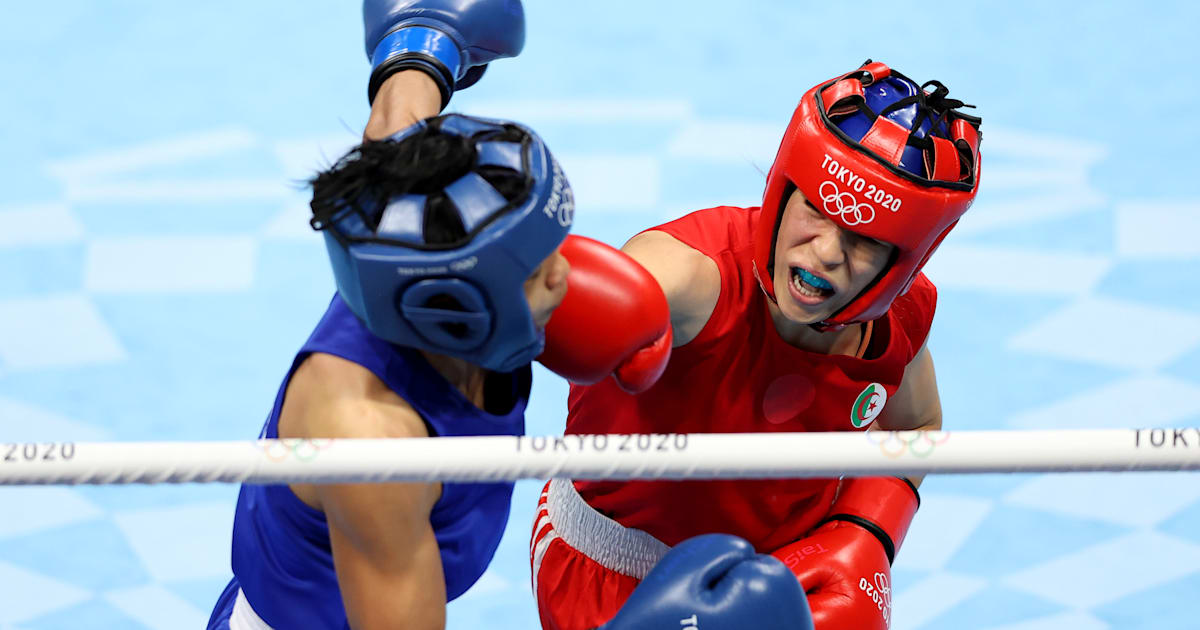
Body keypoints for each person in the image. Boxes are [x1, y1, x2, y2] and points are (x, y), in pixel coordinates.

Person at [333, 2, 818, 629]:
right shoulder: (382, 454)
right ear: (462, 299)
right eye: (535, 268)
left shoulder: (406, 258)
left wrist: (422, 51)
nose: (568, 272)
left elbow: (394, 147)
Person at [529, 61, 983, 630]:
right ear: (783, 188)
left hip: (786, 580)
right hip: (613, 572)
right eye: (818, 209)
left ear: (905, 262)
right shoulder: (695, 278)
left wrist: (867, 532)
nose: (825, 252)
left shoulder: (900, 322)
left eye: (864, 238)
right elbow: (568, 294)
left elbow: (913, 428)